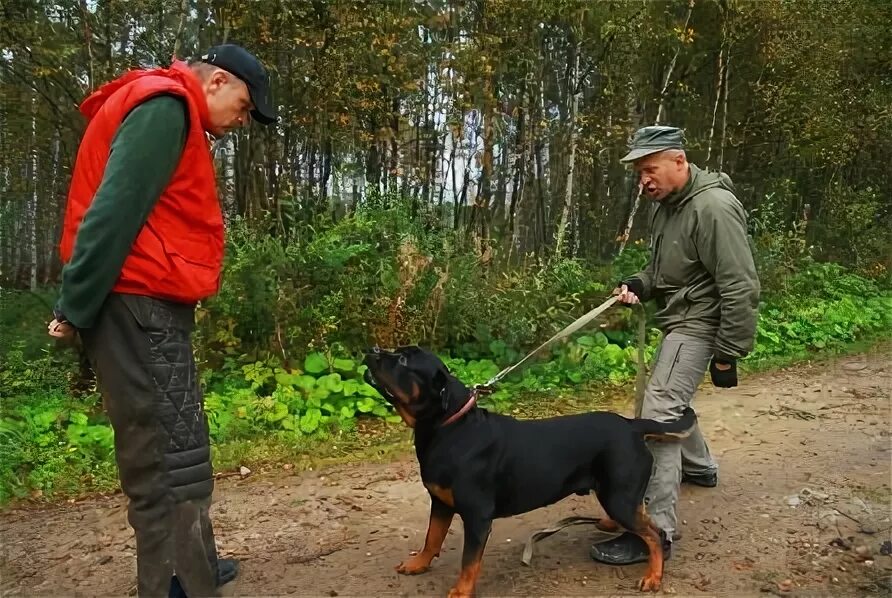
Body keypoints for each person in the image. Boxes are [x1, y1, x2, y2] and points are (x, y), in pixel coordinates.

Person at [47, 44, 276, 597]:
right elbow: (113, 210)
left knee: (182, 446)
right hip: (134, 303)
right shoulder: (165, 109)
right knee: (161, 458)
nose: (241, 121)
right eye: (244, 107)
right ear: (217, 81)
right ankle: (175, 584)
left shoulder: (169, 110)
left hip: (148, 305)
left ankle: (196, 564)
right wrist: (74, 305)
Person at [590, 126, 760, 565]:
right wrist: (637, 284)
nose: (643, 180)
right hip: (679, 319)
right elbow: (663, 271)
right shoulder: (667, 207)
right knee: (668, 400)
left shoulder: (714, 208)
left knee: (658, 413)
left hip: (699, 325)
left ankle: (655, 530)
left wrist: (729, 350)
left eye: (650, 169)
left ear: (679, 161)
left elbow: (740, 284)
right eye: (639, 173)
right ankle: (700, 468)